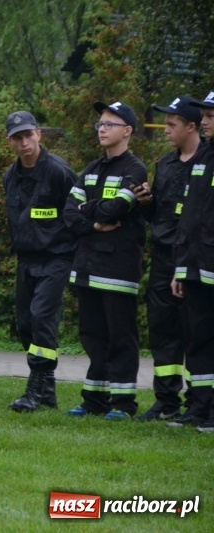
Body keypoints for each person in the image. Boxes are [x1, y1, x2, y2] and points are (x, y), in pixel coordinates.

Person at [63, 101, 148, 420]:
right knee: (93, 335)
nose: (101, 128)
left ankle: (123, 403)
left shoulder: (135, 169)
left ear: (127, 131)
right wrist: (93, 222)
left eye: (109, 124)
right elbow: (69, 212)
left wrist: (89, 210)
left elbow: (119, 208)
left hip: (118, 268)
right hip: (87, 267)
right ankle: (94, 400)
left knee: (120, 336)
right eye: (100, 123)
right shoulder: (92, 169)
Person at [0, 111, 78, 411]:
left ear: (39, 135)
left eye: (28, 135)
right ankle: (47, 389)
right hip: (26, 259)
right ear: (10, 142)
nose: (24, 142)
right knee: (26, 324)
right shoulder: (11, 175)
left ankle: (35, 388)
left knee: (43, 317)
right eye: (17, 138)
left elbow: (76, 212)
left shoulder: (59, 172)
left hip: (56, 257)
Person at [137, 97, 204, 421]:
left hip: (193, 258)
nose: (166, 129)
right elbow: (160, 214)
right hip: (164, 258)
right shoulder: (165, 164)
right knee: (162, 330)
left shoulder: (207, 163)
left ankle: (199, 402)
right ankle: (165, 400)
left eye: (172, 124)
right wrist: (148, 202)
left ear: (191, 127)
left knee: (195, 330)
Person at [170, 91, 214, 432]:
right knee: (198, 338)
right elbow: (190, 218)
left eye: (211, 116)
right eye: (205, 115)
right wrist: (181, 267)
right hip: (197, 266)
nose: (205, 122)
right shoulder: (204, 157)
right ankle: (199, 408)